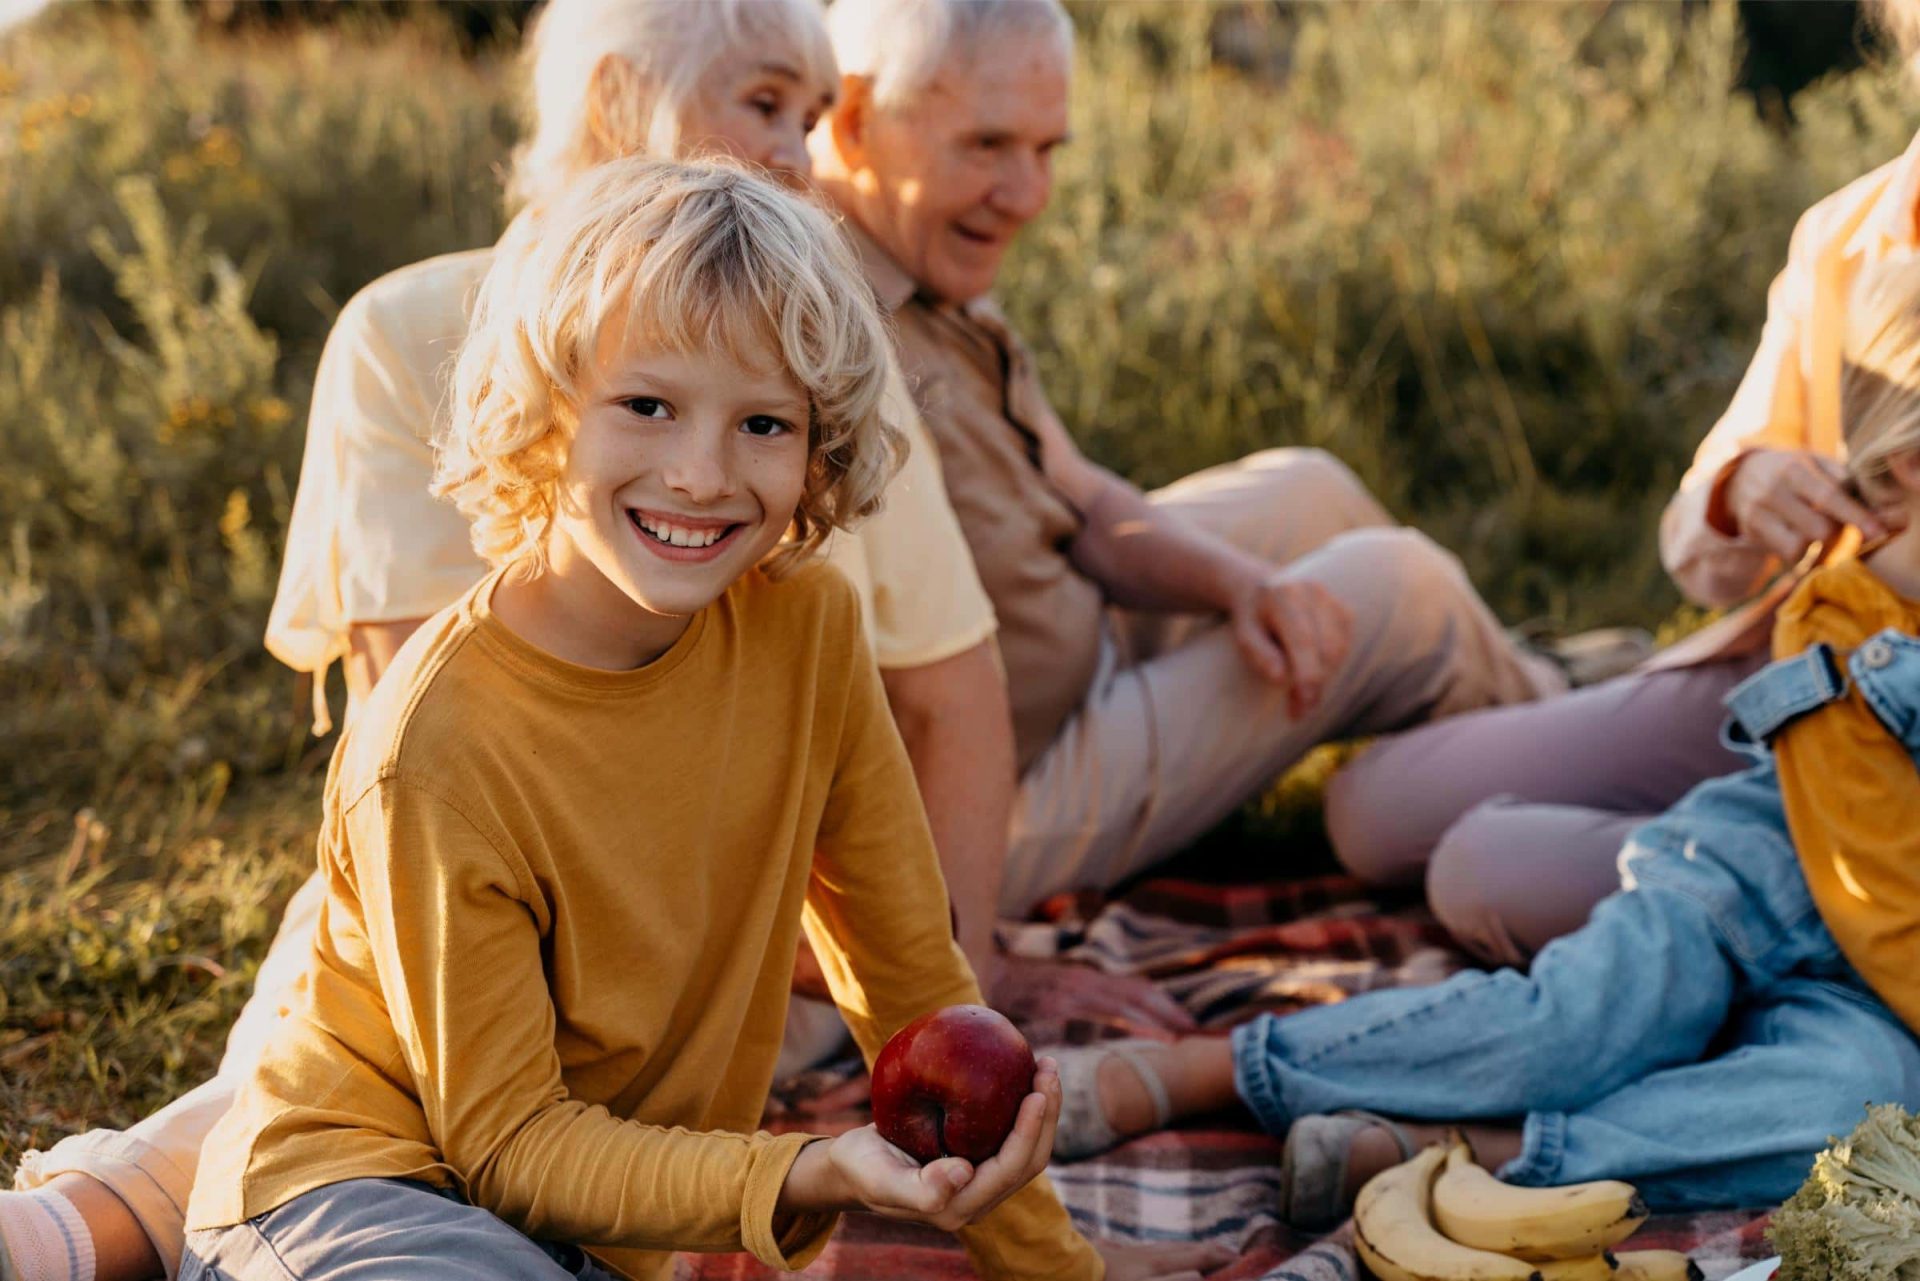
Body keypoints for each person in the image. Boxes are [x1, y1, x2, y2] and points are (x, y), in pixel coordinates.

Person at [0, 6, 1185, 1281]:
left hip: (603, 1230)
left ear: (821, 446)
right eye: (646, 404)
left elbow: (913, 988)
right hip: (362, 1197)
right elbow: (504, 1144)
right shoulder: (436, 739)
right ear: (546, 413)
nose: (701, 475)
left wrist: (1058, 1267)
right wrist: (803, 1168)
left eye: (764, 426)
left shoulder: (809, 628)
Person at [1050, 256, 1920, 1231]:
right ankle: (1206, 1071)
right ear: (1905, 467)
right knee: (1576, 1025)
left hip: (1872, 990)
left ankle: (1478, 1158)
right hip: (1742, 899)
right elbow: (1872, 885)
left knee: (1863, 1109)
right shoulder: (1841, 631)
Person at [810, 0, 1572, 916]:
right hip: (998, 794)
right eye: (987, 146)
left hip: (1075, 634)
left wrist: (1244, 585)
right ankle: (1579, 745)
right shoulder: (823, 328)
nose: (1028, 194)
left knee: (1311, 490)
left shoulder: (924, 262)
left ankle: (1527, 710)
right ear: (855, 123)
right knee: (1402, 589)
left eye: (1047, 150)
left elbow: (1080, 498)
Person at [1323, 7, 1920, 970]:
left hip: (1887, 766)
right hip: (1774, 669)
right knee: (1367, 809)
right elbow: (1696, 545)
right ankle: (1584, 700)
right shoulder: (1845, 236)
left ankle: (1771, 920)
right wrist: (1745, 485)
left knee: (1482, 871)